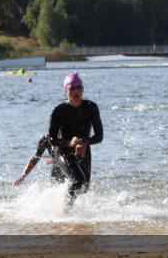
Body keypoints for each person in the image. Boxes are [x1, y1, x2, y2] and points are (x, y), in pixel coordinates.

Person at [15, 72, 103, 204]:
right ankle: (64, 212)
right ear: (66, 90)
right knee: (76, 182)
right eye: (72, 88)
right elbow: (41, 151)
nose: (76, 91)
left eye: (79, 87)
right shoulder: (58, 112)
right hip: (63, 151)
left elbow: (99, 136)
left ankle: (74, 216)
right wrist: (24, 175)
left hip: (82, 149)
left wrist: (84, 142)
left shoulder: (91, 107)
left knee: (84, 188)